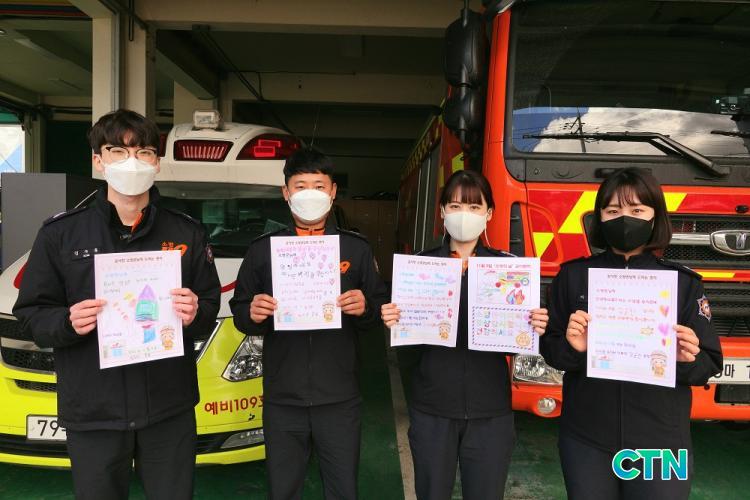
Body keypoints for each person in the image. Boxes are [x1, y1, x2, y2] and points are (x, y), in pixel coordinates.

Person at [13, 109, 221, 500]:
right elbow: (30, 316)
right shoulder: (61, 233)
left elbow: (209, 303)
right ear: (98, 161)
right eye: (118, 151)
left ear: (156, 163)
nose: (132, 162)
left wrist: (195, 313)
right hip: (94, 408)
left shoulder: (186, 231)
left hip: (167, 406)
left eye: (143, 152)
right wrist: (67, 322)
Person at [539, 167, 723, 500]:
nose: (624, 219)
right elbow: (551, 349)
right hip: (587, 438)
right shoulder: (573, 276)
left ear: (655, 217)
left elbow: (709, 362)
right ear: (599, 218)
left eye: (637, 210)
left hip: (661, 443)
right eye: (613, 211)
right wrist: (574, 348)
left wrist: (685, 360)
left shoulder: (683, 284)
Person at [229, 148, 389, 500]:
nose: (310, 194)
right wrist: (252, 313)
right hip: (283, 398)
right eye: (300, 186)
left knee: (343, 488)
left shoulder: (355, 249)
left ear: (333, 192)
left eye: (319, 185)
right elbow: (240, 308)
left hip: (339, 397)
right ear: (286, 192)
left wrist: (365, 308)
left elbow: (380, 310)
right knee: (283, 489)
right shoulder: (263, 250)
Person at [381, 169, 549, 500]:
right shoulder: (420, 267)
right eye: (455, 206)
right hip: (432, 407)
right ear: (442, 212)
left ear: (489, 214)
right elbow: (408, 348)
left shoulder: (509, 269)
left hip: (491, 409)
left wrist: (536, 324)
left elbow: (521, 341)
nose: (464, 215)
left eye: (474, 207)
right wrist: (393, 318)